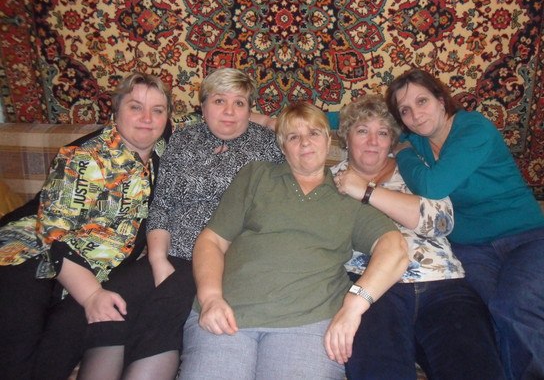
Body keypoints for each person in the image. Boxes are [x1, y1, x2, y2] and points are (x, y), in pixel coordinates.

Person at [76, 68, 285, 380]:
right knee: (114, 303)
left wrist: (270, 121)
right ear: (203, 106)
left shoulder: (269, 146)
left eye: (239, 103)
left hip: (223, 258)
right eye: (219, 101)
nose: (229, 111)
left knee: (163, 310)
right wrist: (158, 259)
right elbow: (162, 204)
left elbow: (303, 137)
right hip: (172, 252)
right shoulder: (183, 139)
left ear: (249, 109)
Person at [179, 102, 409, 379]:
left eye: (313, 133)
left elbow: (395, 248)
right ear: (283, 146)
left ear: (328, 140)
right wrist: (211, 298)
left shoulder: (348, 195)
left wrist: (354, 307)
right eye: (293, 136)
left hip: (310, 322)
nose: (305, 142)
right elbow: (212, 241)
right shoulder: (257, 176)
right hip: (227, 312)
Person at [385, 68, 544, 380]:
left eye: (422, 101)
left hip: (530, 240)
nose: (415, 115)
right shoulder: (416, 139)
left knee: (517, 306)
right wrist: (299, 117)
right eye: (405, 110)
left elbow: (432, 186)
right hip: (472, 250)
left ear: (441, 99)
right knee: (485, 316)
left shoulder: (474, 129)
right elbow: (364, 117)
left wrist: (403, 154)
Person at [0, 72, 171, 380]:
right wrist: (91, 295)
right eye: (135, 107)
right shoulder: (84, 156)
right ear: (116, 111)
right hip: (28, 255)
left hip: (95, 271)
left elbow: (216, 115)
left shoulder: (163, 149)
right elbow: (54, 235)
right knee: (17, 352)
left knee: (55, 357)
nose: (147, 118)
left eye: (157, 110)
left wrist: (261, 118)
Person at [331, 95, 504, 379]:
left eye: (382, 133)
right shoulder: (329, 180)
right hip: (371, 288)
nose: (373, 141)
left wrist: (366, 191)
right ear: (346, 139)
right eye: (362, 131)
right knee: (379, 370)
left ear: (392, 141)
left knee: (475, 367)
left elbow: (442, 222)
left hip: (442, 284)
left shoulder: (415, 169)